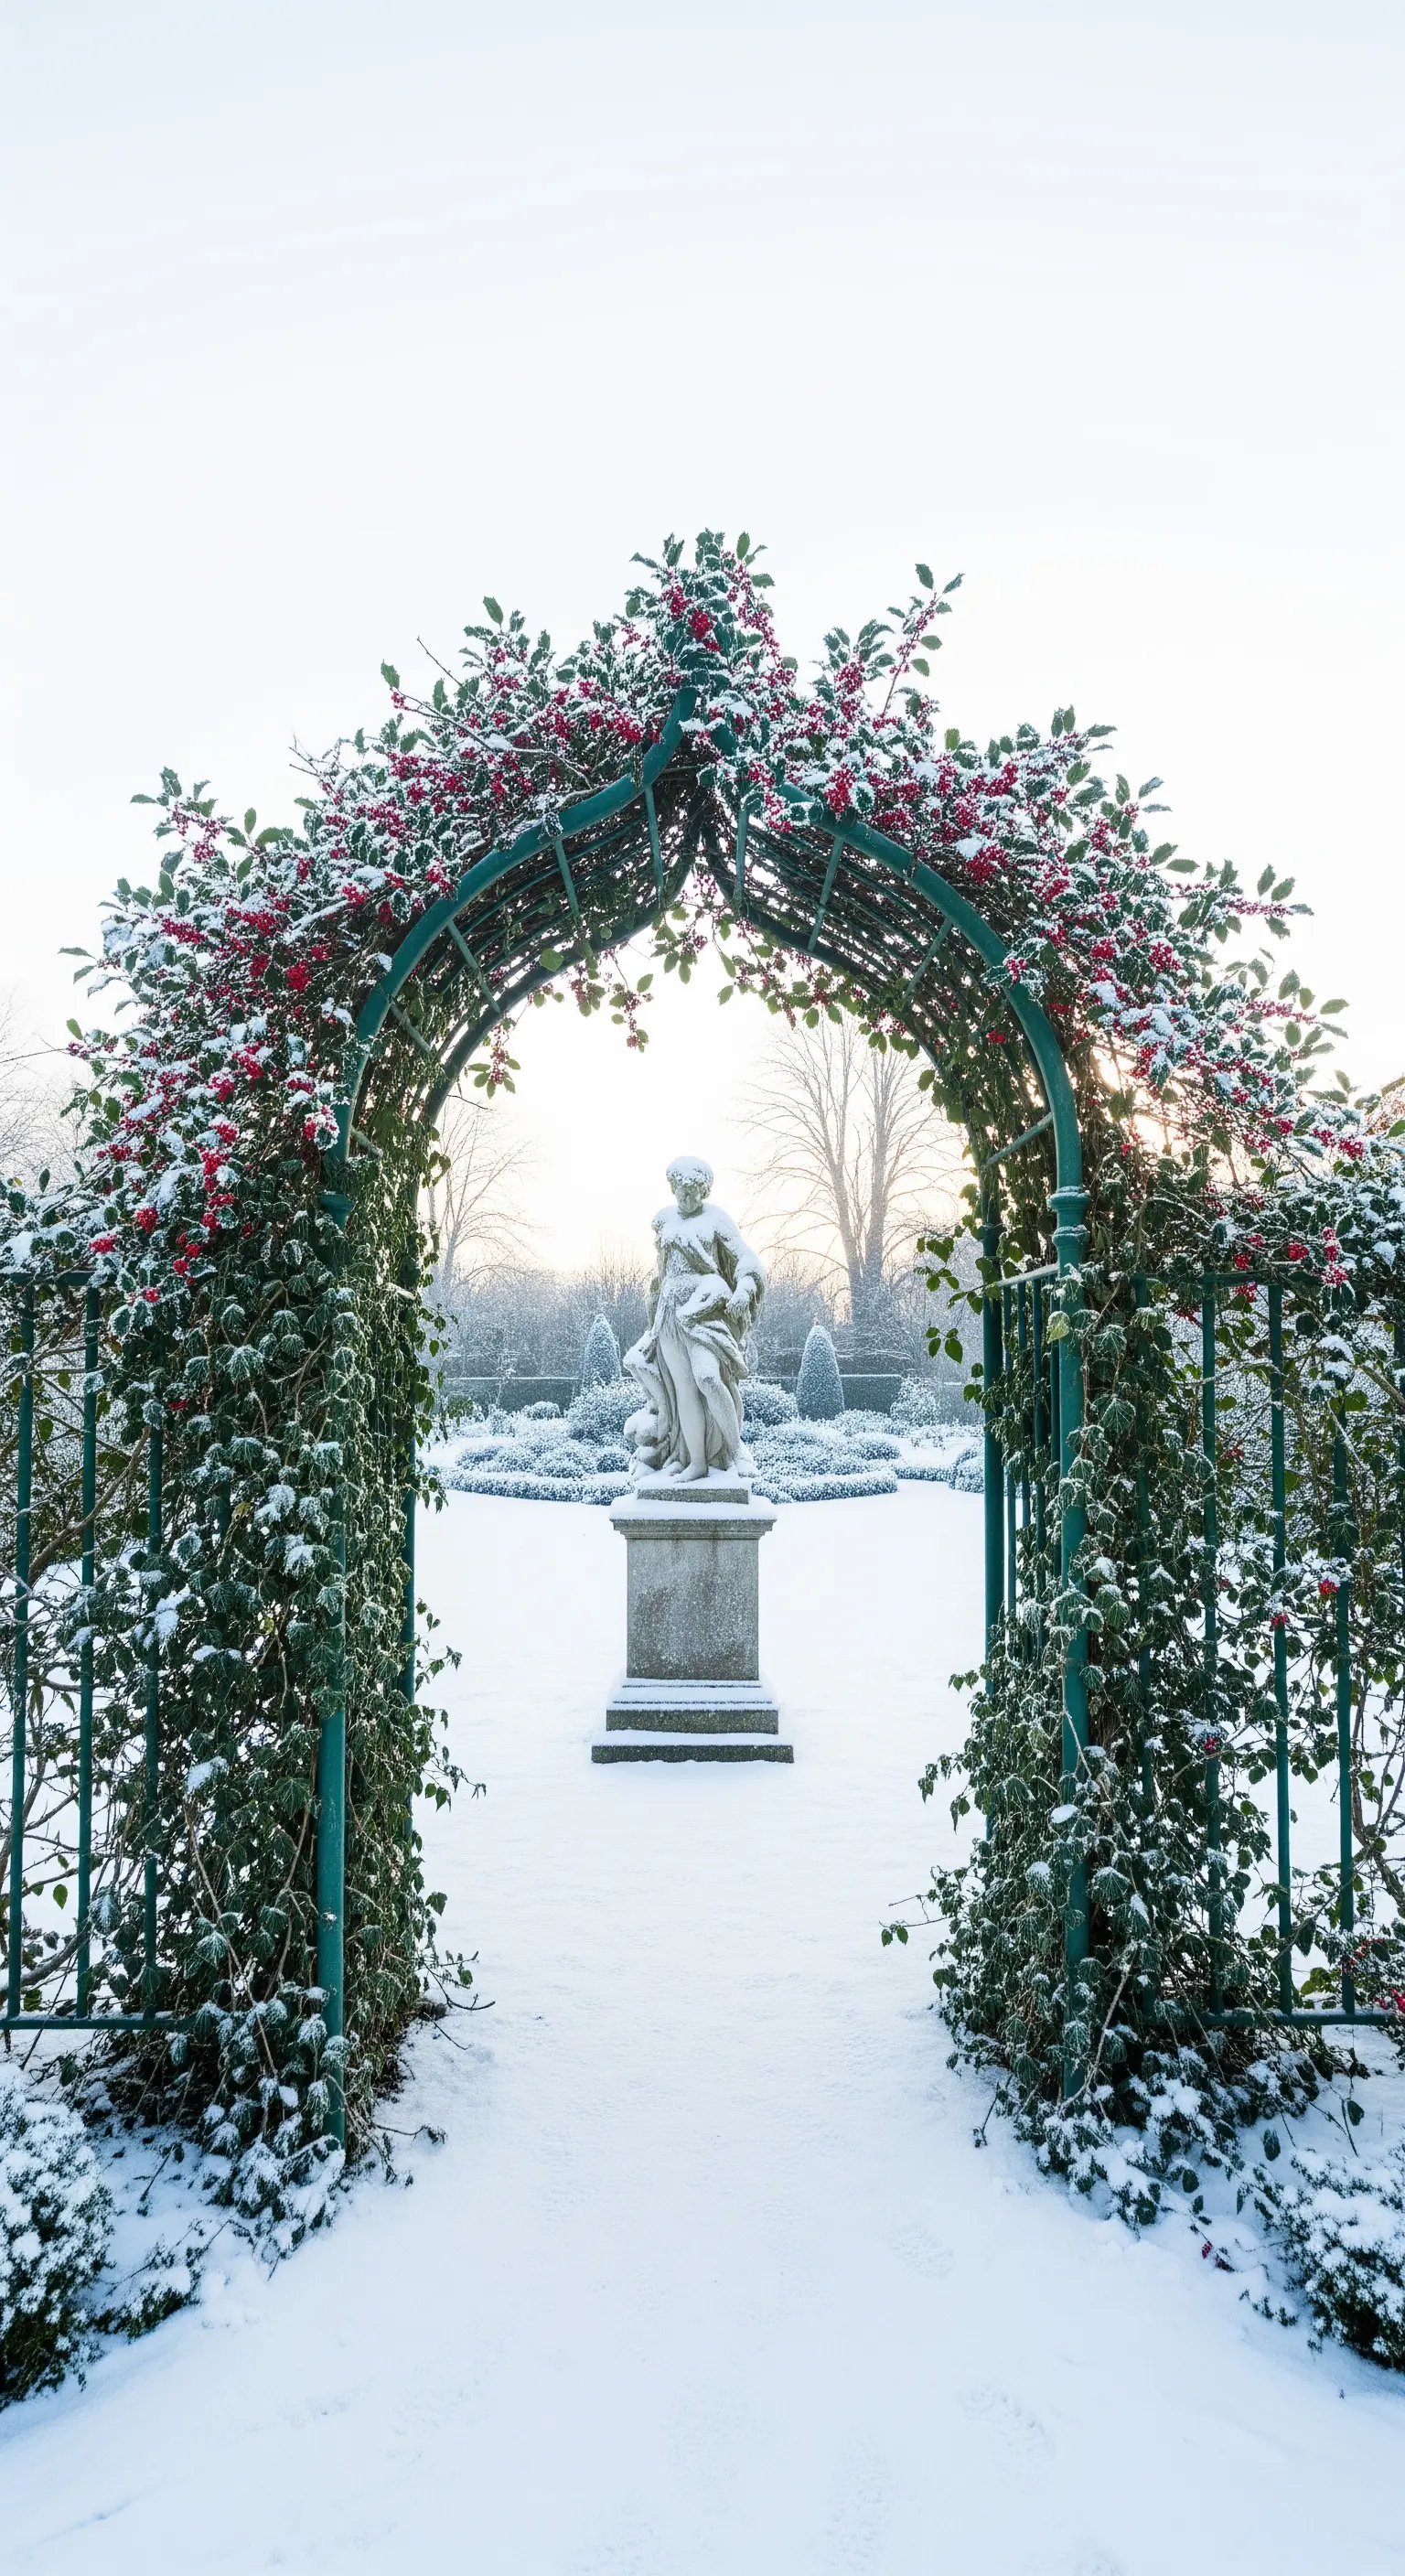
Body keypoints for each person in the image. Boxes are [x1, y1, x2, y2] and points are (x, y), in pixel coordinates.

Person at [624, 1156, 766, 1482]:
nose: (686, 1197)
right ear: (673, 1188)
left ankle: (736, 1449)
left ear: (704, 1190)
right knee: (683, 1391)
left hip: (704, 1310)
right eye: (681, 1190)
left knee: (708, 1379)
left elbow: (746, 1260)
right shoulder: (663, 1221)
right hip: (669, 1314)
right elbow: (662, 1275)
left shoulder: (716, 1219)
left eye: (693, 1190)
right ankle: (695, 1462)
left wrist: (744, 1289)